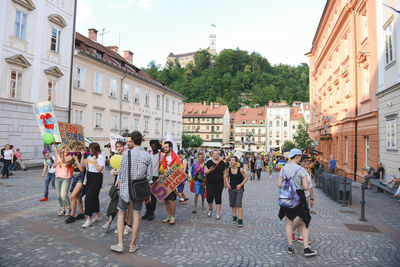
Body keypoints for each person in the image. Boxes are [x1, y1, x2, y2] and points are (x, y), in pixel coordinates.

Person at [110, 131, 152, 253]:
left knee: (121, 213)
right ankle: (132, 245)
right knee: (136, 215)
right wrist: (147, 193)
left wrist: (119, 187)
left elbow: (121, 173)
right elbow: (149, 177)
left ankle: (120, 244)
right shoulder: (147, 156)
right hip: (139, 190)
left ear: (132, 141)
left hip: (125, 189)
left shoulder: (127, 154)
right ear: (142, 140)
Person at [278, 148, 317, 257]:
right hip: (299, 197)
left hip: (287, 197)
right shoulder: (301, 170)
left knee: (289, 222)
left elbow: (279, 184)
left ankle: (290, 246)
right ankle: (306, 248)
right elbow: (306, 187)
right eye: (300, 157)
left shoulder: (283, 169)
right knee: (304, 222)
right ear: (298, 156)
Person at [81, 143, 105, 228]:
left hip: (97, 178)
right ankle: (98, 216)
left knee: (88, 197)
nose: (89, 150)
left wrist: (95, 161)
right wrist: (82, 155)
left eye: (90, 148)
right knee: (94, 197)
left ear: (94, 149)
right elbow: (82, 165)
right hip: (89, 177)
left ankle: (89, 218)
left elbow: (99, 169)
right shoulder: (89, 157)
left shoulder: (101, 157)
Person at [103, 141, 126, 230]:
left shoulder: (126, 156)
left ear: (123, 146)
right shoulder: (117, 157)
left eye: (120, 146)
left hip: (124, 183)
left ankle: (125, 225)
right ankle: (111, 223)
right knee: (116, 203)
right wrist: (114, 172)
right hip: (118, 183)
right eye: (117, 147)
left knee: (123, 206)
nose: (118, 148)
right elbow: (115, 169)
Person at [293, 155, 315, 243]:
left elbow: (310, 186)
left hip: (306, 197)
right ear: (300, 162)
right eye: (304, 161)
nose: (306, 163)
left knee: (302, 217)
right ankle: (292, 230)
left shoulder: (308, 172)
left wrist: (312, 198)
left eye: (308, 161)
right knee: (301, 216)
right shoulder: (298, 172)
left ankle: (300, 235)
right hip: (299, 197)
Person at [160, 141, 182, 225]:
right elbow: (161, 169)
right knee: (166, 200)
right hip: (165, 181)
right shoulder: (163, 158)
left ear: (171, 148)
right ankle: (168, 216)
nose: (164, 148)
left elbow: (180, 169)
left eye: (166, 147)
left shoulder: (176, 158)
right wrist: (164, 170)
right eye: (164, 147)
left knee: (172, 200)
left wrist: (172, 170)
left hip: (172, 181)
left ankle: (172, 217)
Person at [224, 156, 248, 227]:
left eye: (233, 160)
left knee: (238, 203)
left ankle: (240, 219)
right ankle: (234, 216)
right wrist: (227, 183)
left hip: (239, 189)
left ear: (236, 162)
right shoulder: (229, 169)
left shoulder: (240, 170)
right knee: (232, 203)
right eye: (230, 160)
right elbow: (226, 176)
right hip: (231, 188)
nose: (231, 161)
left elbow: (246, 178)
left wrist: (240, 185)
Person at [142, 140, 162, 221]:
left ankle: (151, 212)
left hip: (156, 176)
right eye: (152, 145)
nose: (153, 147)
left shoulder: (161, 154)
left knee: (153, 196)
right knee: (146, 195)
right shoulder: (149, 154)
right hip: (148, 176)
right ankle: (148, 211)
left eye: (154, 145)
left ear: (157, 146)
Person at [65, 151, 86, 224]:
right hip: (75, 177)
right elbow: (64, 162)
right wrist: (61, 153)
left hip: (81, 177)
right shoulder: (73, 156)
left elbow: (82, 169)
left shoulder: (84, 156)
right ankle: (81, 213)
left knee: (72, 196)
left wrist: (77, 159)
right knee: (77, 196)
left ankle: (72, 216)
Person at [204, 150, 226, 220]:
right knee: (209, 197)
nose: (215, 155)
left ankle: (217, 213)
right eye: (214, 154)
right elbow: (205, 172)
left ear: (219, 155)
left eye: (217, 154)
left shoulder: (222, 163)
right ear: (212, 155)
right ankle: (210, 209)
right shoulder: (209, 162)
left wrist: (225, 182)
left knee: (218, 197)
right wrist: (210, 170)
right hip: (210, 182)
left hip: (219, 183)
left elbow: (225, 173)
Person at [55, 145, 73, 216]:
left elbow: (64, 163)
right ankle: (62, 209)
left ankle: (68, 208)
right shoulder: (59, 156)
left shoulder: (70, 157)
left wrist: (58, 157)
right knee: (58, 196)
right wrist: (57, 160)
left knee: (63, 195)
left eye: (67, 149)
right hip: (58, 177)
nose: (65, 151)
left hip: (66, 178)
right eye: (64, 149)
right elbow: (54, 165)